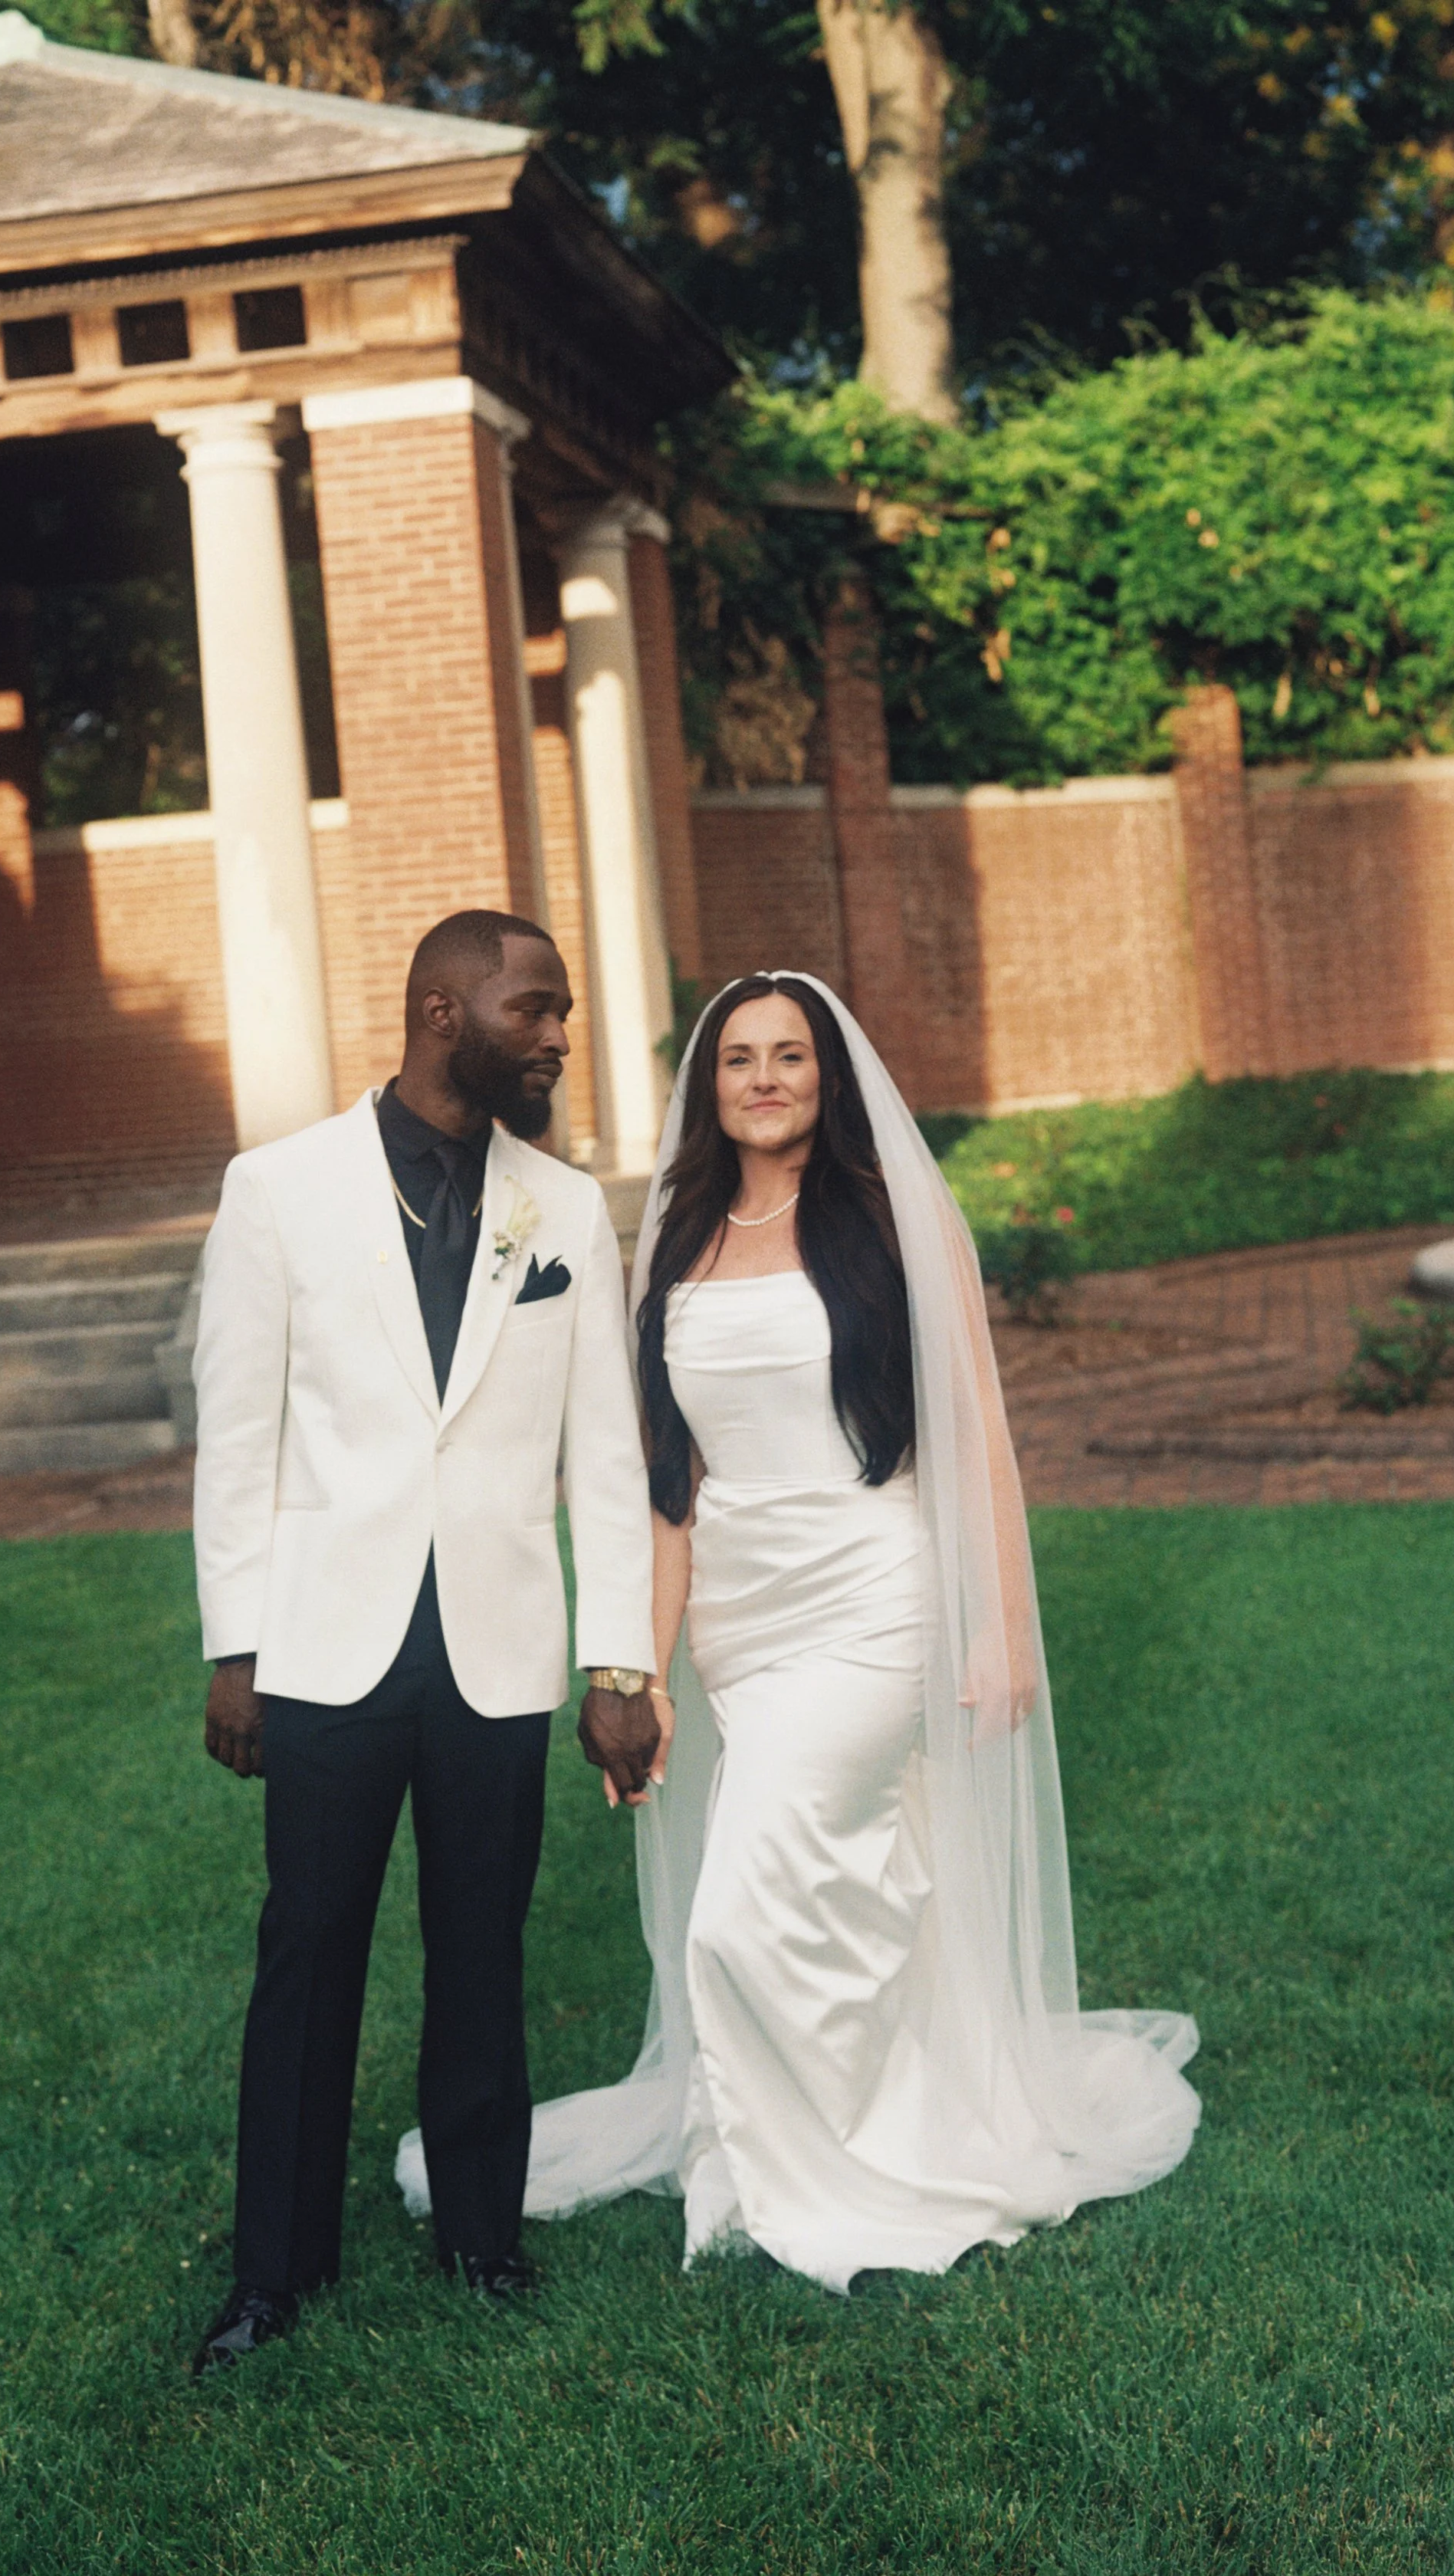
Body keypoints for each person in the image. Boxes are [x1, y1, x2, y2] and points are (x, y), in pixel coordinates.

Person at [503, 973, 1200, 2292]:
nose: (765, 1079)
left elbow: (976, 1438)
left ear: (829, 1076)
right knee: (835, 1881)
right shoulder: (678, 1240)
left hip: (875, 1591)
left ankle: (821, 2177)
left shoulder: (890, 1223)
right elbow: (670, 1483)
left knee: (740, 1910)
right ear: (709, 1085)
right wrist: (641, 1672)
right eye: (739, 1059)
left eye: (791, 1056)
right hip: (740, 1618)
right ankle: (846, 2113)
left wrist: (1001, 1631)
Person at [189, 910, 658, 2375]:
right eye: (537, 1010)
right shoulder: (278, 1191)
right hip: (327, 1647)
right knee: (309, 1951)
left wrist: (619, 1663)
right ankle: (274, 2275)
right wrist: (235, 1649)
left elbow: (607, 1455)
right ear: (445, 1013)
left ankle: (481, 2239)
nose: (560, 1037)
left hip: (496, 1651)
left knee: (481, 1951)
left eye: (563, 1011)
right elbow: (237, 1435)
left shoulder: (564, 1209)